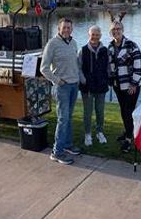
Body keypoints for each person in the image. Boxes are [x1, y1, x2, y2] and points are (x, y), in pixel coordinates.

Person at [41, 18, 81, 165]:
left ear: (72, 29)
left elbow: (75, 64)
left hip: (74, 85)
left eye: (69, 28)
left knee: (69, 117)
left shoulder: (73, 43)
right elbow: (44, 68)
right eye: (64, 27)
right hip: (62, 87)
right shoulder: (52, 44)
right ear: (59, 29)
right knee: (63, 119)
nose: (66, 30)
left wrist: (79, 78)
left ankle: (68, 145)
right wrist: (57, 81)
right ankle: (57, 152)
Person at [108, 20, 141, 153]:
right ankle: (128, 130)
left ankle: (129, 139)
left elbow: (139, 66)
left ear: (122, 30)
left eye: (118, 29)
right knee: (124, 110)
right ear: (110, 32)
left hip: (131, 86)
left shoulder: (131, 45)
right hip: (119, 86)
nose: (116, 31)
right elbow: (111, 67)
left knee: (128, 111)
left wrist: (134, 84)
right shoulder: (110, 47)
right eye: (113, 30)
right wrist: (111, 81)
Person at [78, 25, 109, 146]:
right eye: (93, 35)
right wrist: (83, 79)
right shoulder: (83, 50)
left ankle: (100, 132)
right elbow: (78, 67)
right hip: (87, 87)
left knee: (100, 111)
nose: (95, 37)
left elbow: (108, 67)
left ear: (100, 36)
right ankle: (88, 134)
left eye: (97, 35)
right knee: (88, 112)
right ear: (89, 35)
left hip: (101, 86)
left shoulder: (105, 50)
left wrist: (108, 79)